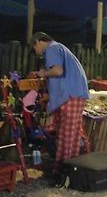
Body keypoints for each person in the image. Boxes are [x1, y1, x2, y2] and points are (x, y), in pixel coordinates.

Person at [31, 32, 89, 179]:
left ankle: (64, 172)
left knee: (68, 136)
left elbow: (57, 71)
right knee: (68, 134)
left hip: (70, 95)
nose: (36, 52)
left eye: (34, 48)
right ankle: (65, 169)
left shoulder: (51, 48)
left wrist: (43, 73)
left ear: (38, 42)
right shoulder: (59, 47)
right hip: (72, 94)